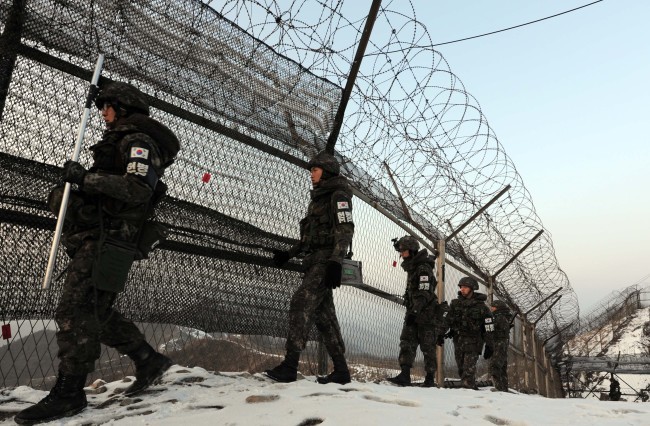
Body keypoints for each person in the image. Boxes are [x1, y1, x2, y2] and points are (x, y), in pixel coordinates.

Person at [15, 82, 180, 425]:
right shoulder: (122, 139)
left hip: (110, 240)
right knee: (97, 311)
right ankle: (148, 360)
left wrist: (86, 180)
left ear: (122, 109)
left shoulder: (138, 141)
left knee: (75, 310)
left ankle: (70, 393)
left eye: (108, 107)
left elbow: (136, 189)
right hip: (99, 237)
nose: (103, 114)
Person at [266, 150, 354, 385]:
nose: (311, 174)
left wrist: (336, 261)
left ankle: (290, 366)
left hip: (326, 261)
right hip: (314, 260)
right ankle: (342, 371)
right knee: (324, 318)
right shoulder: (318, 199)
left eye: (314, 170)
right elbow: (308, 239)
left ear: (327, 171)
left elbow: (346, 230)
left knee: (301, 302)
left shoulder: (338, 196)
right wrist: (288, 254)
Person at [386, 236, 440, 387]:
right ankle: (404, 375)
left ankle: (429, 379)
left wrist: (415, 311)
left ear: (412, 250)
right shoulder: (414, 267)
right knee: (407, 341)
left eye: (403, 251)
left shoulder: (423, 268)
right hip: (414, 311)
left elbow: (424, 293)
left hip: (426, 315)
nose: (401, 254)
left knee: (427, 346)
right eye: (400, 251)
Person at [443, 276, 494, 390]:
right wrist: (441, 333)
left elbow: (488, 327)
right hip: (458, 341)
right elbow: (448, 320)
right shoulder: (455, 304)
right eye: (461, 287)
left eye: (465, 287)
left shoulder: (482, 308)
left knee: (468, 370)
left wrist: (489, 344)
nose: (462, 289)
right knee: (461, 369)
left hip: (474, 342)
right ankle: (468, 389)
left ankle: (469, 390)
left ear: (472, 288)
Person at [489, 299, 513, 392]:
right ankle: (503, 388)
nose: (491, 309)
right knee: (502, 365)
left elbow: (492, 329)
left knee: (495, 365)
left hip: (499, 342)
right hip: (502, 343)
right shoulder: (504, 317)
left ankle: (499, 388)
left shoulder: (499, 317)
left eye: (493, 307)